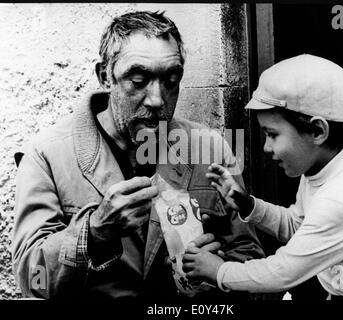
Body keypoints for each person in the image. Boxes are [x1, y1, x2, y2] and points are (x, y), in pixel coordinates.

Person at [12, 11, 264, 299]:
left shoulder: (211, 147)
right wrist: (93, 234)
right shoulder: (47, 154)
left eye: (171, 80)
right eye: (139, 79)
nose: (157, 100)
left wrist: (217, 274)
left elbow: (251, 261)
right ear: (105, 77)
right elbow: (33, 281)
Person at [182, 54, 343, 300]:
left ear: (317, 131)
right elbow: (298, 227)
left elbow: (280, 273)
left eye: (273, 134)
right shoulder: (323, 171)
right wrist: (249, 204)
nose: (266, 147)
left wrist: (218, 271)